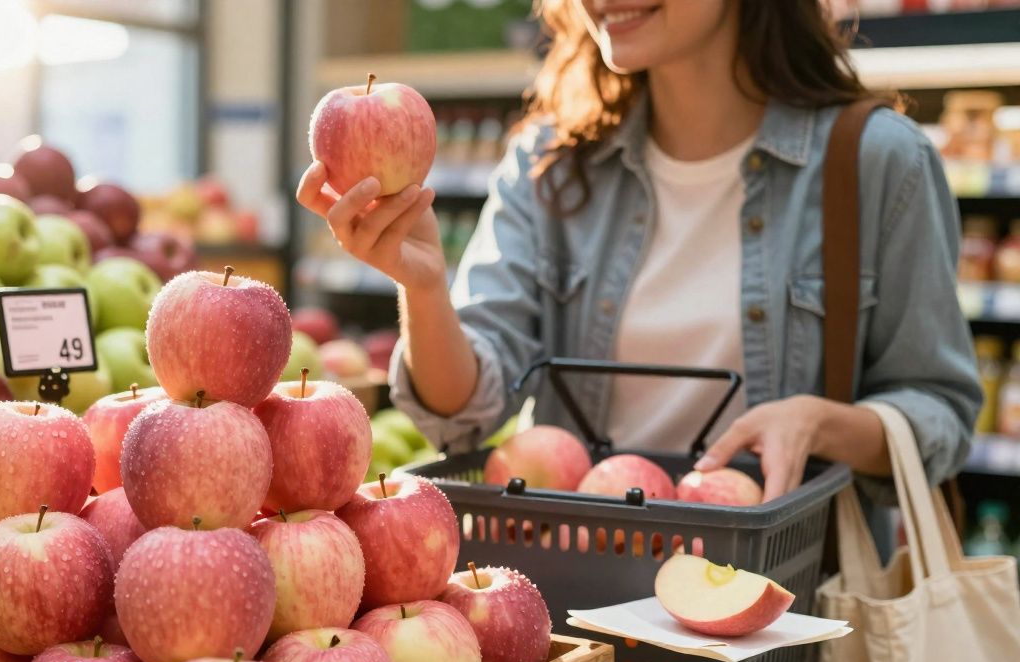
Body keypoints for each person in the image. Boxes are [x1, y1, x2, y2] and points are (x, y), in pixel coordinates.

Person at [296, 0, 981, 501]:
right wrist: (422, 288)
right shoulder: (551, 166)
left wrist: (821, 422)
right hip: (587, 591)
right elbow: (466, 412)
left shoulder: (878, 164)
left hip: (784, 619)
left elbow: (941, 410)